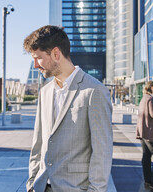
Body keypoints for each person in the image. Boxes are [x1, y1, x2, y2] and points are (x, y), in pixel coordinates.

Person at [23, 25, 113, 192]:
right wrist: (32, 183)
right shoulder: (45, 92)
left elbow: (102, 151)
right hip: (42, 187)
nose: (35, 65)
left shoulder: (94, 91)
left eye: (38, 58)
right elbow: (38, 143)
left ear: (56, 53)